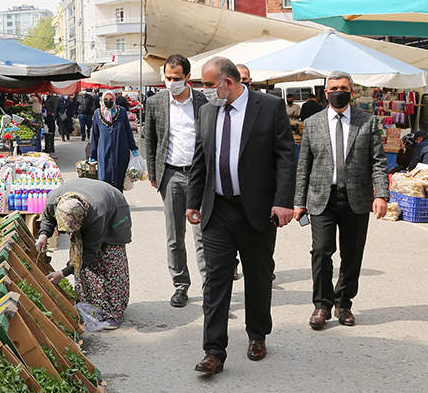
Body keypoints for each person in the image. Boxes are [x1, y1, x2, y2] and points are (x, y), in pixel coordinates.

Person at [186, 57, 296, 374]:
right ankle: (214, 351)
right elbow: (200, 160)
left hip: (257, 210)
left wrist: (283, 201)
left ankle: (257, 334)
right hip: (217, 209)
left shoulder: (269, 107)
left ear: (228, 83)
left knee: (258, 276)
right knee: (215, 280)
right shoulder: (206, 112)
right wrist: (193, 202)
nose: (203, 91)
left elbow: (286, 157)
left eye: (208, 85)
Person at [294, 70, 389, 330]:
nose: (339, 91)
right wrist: (298, 202)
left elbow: (379, 162)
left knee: (352, 254)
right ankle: (322, 305)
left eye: (343, 87)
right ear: (326, 93)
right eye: (334, 87)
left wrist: (381, 194)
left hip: (356, 198)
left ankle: (344, 303)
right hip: (322, 198)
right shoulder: (313, 123)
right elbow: (304, 165)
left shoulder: (367, 122)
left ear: (352, 91)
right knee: (322, 252)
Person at [142, 54, 207, 308]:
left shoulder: (203, 101)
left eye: (176, 78)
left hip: (200, 175)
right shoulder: (156, 102)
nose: (171, 83)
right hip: (171, 174)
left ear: (188, 77)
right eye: (167, 78)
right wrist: (154, 174)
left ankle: (209, 286)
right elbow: (150, 139)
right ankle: (180, 284)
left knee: (203, 233)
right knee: (174, 234)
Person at [38, 178, 132, 329]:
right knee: (86, 266)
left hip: (114, 212)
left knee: (110, 262)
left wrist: (63, 273)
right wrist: (43, 235)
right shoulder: (54, 201)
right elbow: (48, 219)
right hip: (92, 205)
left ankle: (114, 312)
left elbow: (89, 253)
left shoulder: (96, 213)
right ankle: (93, 305)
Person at [91, 90, 139, 191]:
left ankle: (118, 201)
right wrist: (93, 154)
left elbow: (128, 131)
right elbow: (95, 135)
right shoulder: (97, 114)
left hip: (121, 149)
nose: (108, 101)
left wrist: (133, 147)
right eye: (106, 99)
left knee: (119, 177)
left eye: (111, 99)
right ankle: (107, 201)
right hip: (104, 150)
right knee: (104, 177)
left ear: (114, 99)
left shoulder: (121, 112)